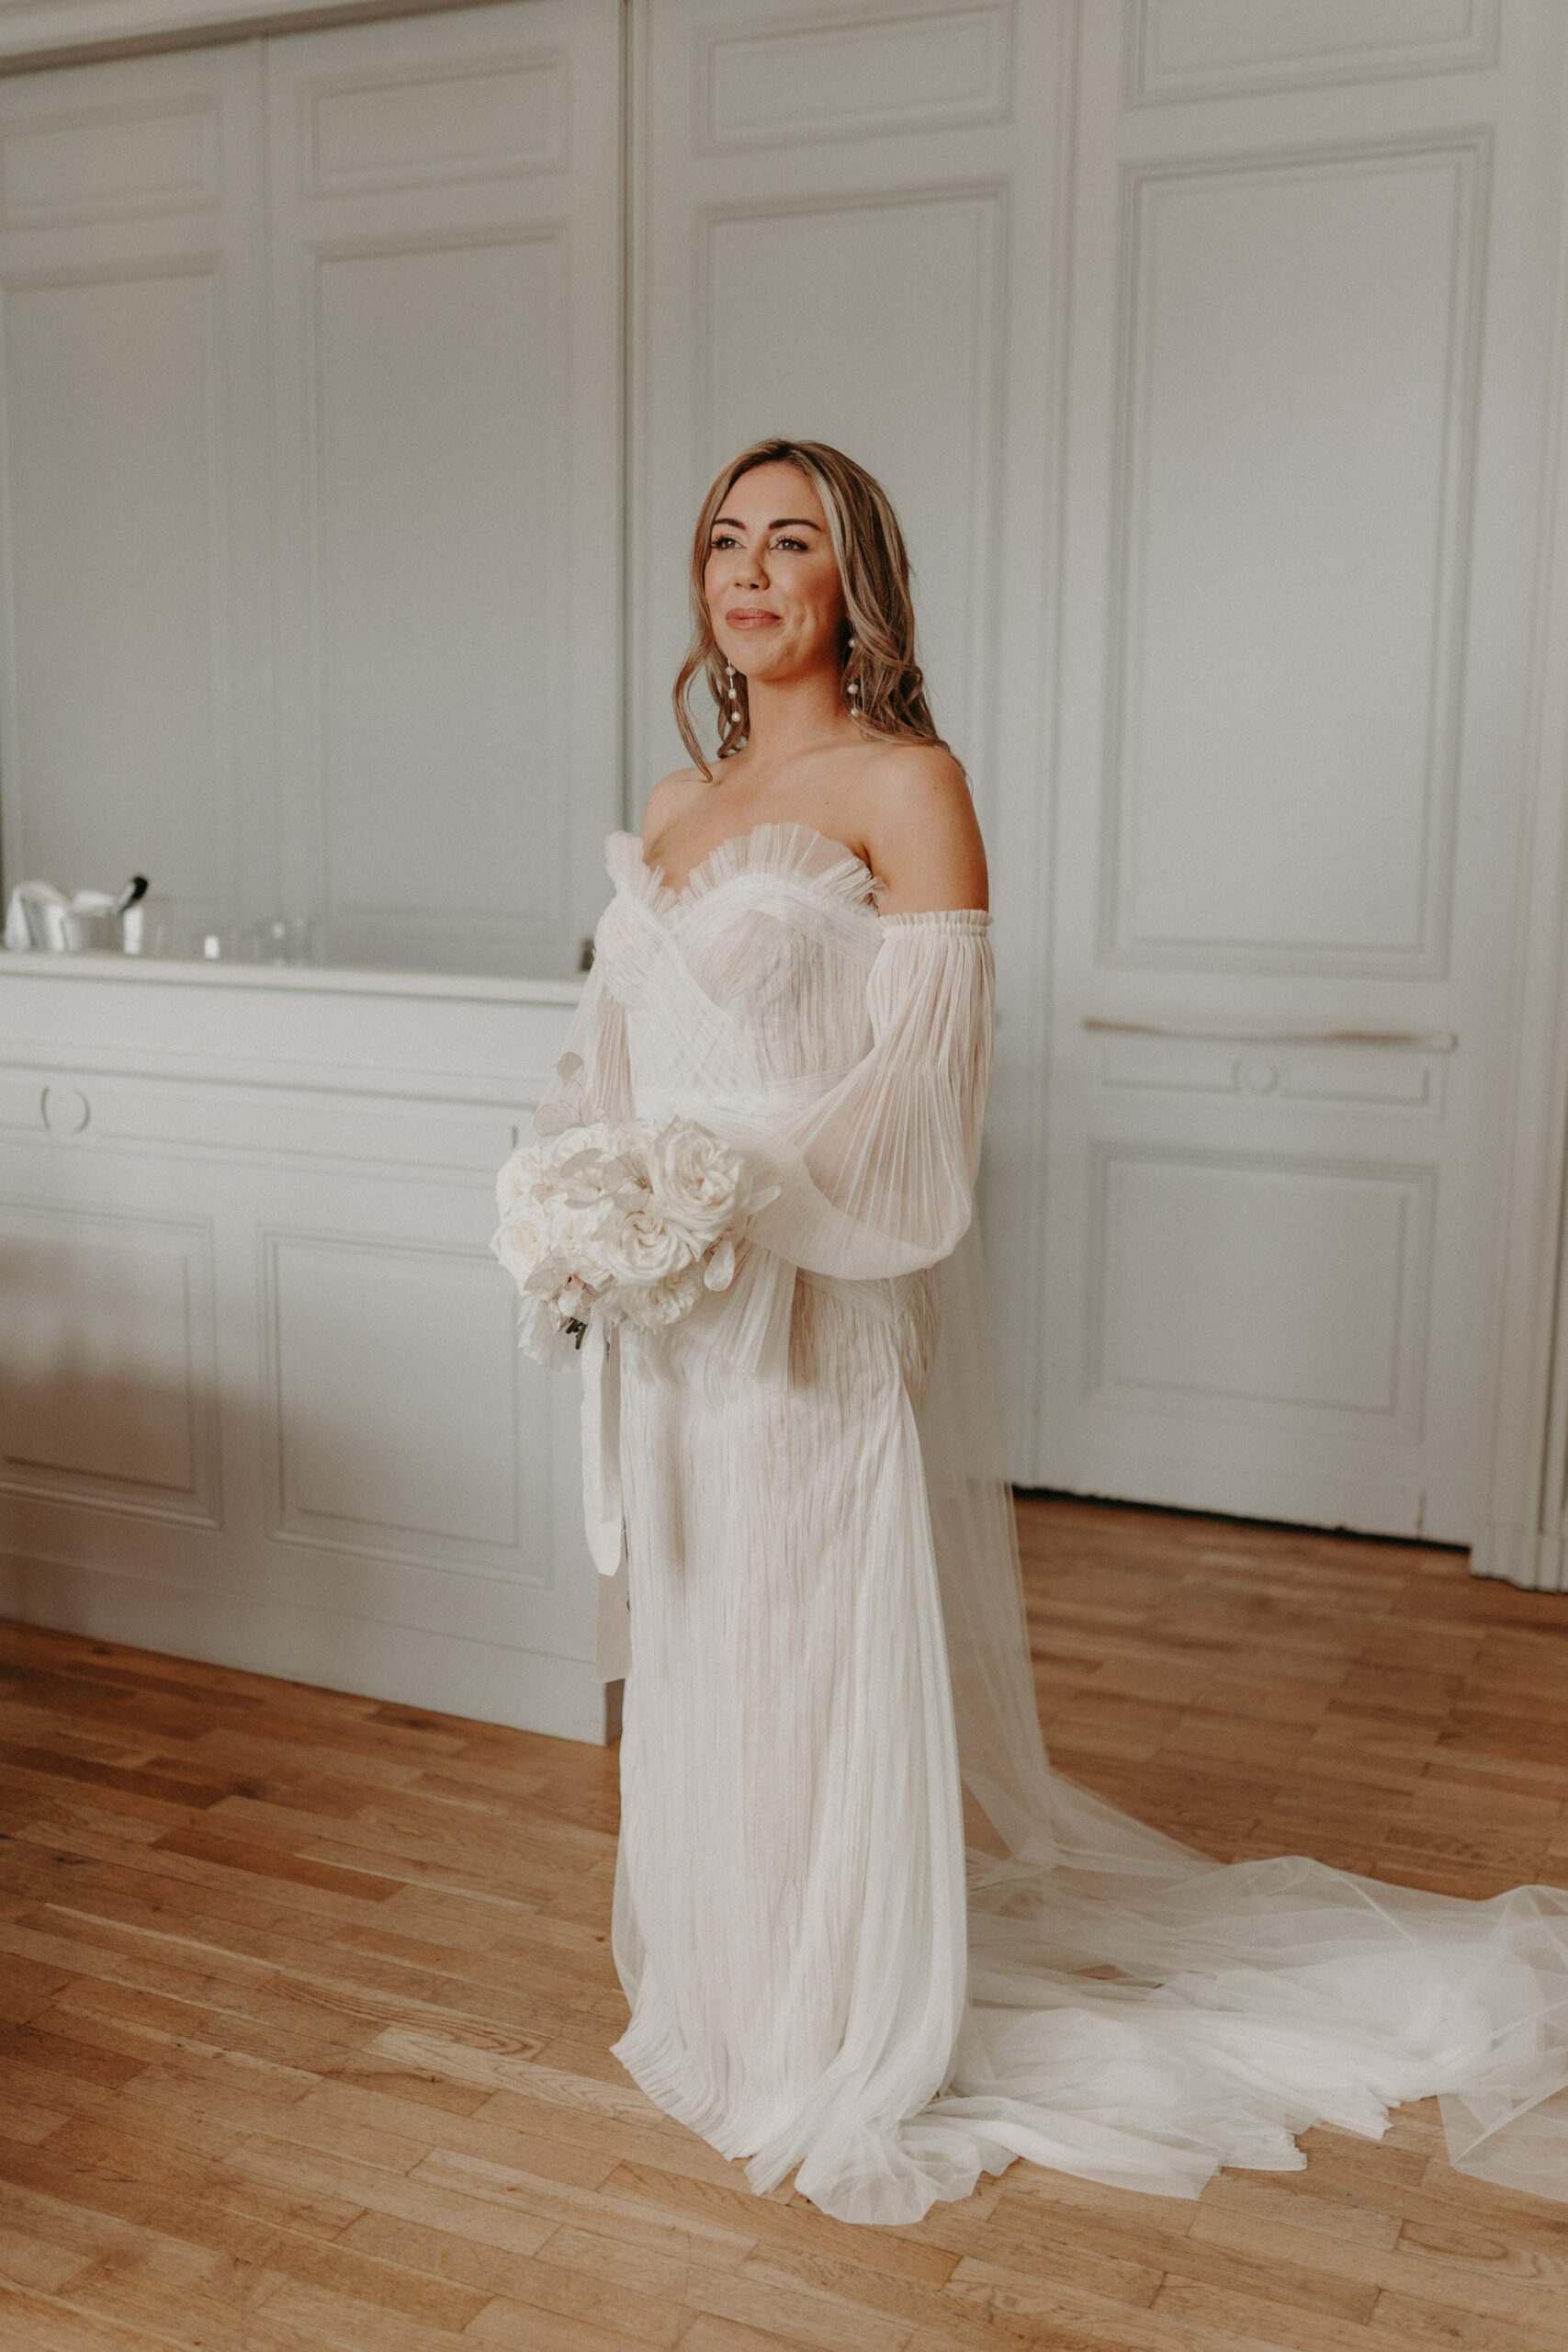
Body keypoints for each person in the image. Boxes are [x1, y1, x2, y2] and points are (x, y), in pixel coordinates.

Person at [514, 437, 1568, 2226]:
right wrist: (578, 1210)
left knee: (801, 1646)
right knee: (693, 1655)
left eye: (793, 541)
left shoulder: (907, 782)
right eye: (723, 540)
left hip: (808, 1309)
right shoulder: (673, 800)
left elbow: (922, 1093)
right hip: (673, 1332)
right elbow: (610, 1063)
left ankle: (829, 2019)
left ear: (856, 580)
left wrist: (718, 1199)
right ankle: (719, 1986)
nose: (750, 571)